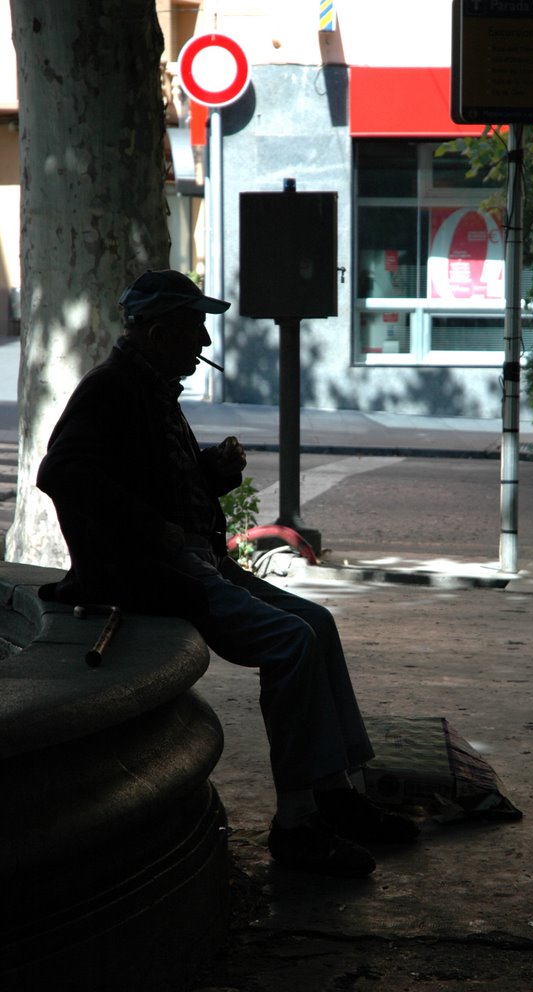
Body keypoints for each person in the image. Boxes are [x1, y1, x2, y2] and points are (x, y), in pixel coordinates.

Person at [37, 269, 418, 879]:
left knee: (316, 622)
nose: (204, 345)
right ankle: (297, 824)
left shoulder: (152, 390)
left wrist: (210, 470)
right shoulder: (111, 389)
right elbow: (61, 474)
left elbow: (155, 480)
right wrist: (150, 530)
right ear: (160, 332)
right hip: (155, 575)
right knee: (290, 643)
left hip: (191, 562)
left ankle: (338, 794)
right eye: (195, 330)